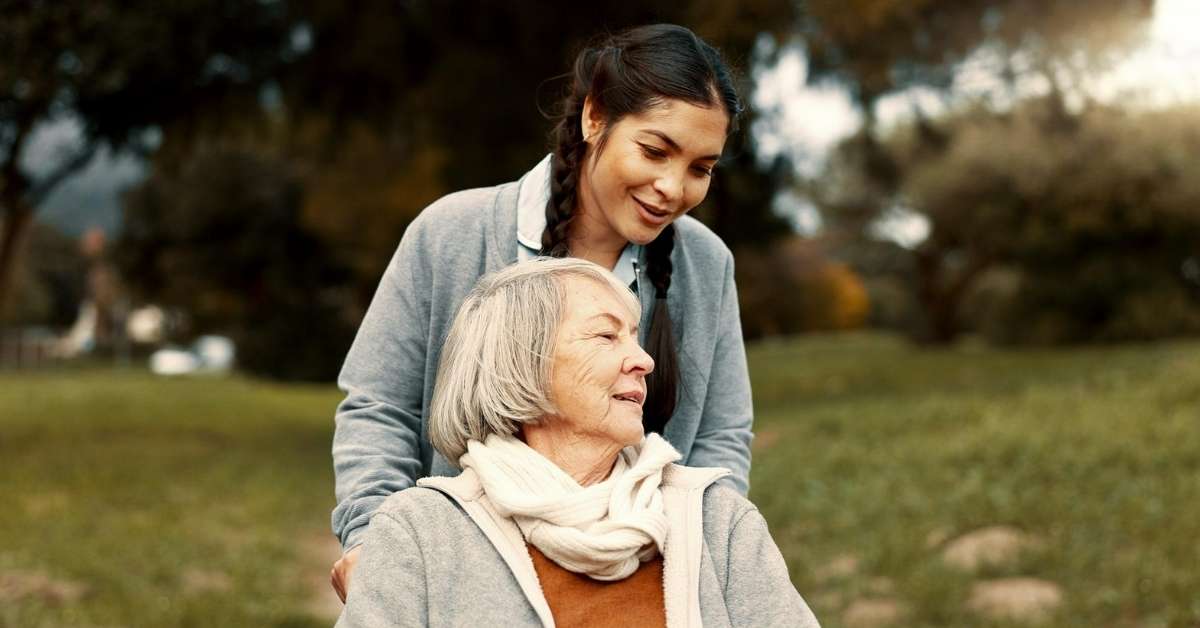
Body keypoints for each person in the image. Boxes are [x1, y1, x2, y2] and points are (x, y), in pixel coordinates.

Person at [331, 23, 757, 599]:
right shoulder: (451, 233)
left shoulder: (706, 264)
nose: (671, 188)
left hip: (635, 581)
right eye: (655, 151)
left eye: (700, 169)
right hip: (460, 577)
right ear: (595, 117)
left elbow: (721, 437)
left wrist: (695, 560)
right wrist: (372, 544)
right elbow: (379, 408)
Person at [337, 258, 819, 627]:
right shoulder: (419, 533)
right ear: (522, 365)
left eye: (635, 337)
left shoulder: (717, 518)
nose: (645, 361)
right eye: (606, 337)